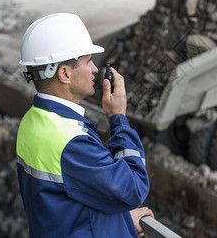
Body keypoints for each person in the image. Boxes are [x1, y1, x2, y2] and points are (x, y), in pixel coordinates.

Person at [16, 13, 153, 237]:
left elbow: (70, 202)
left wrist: (121, 220)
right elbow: (133, 189)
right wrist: (118, 117)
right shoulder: (72, 142)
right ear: (65, 74)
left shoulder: (32, 121)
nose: (95, 70)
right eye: (88, 61)